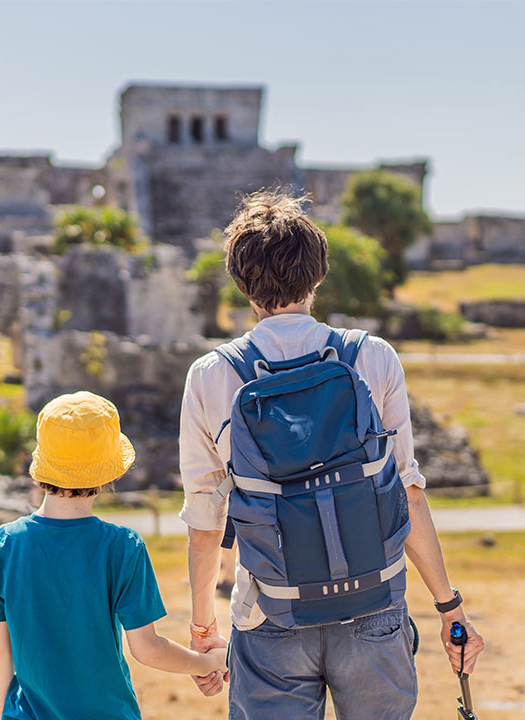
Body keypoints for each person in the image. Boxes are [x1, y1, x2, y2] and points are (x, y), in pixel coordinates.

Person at [178, 190, 486, 718]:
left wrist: (204, 629)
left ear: (241, 283)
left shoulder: (211, 376)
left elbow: (207, 524)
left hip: (269, 615)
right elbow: (406, 494)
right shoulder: (373, 357)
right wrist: (448, 607)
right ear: (318, 275)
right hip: (374, 604)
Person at [0, 391, 226, 720]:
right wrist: (208, 663)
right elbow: (147, 649)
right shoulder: (122, 547)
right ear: (109, 474)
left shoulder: (1, 545)